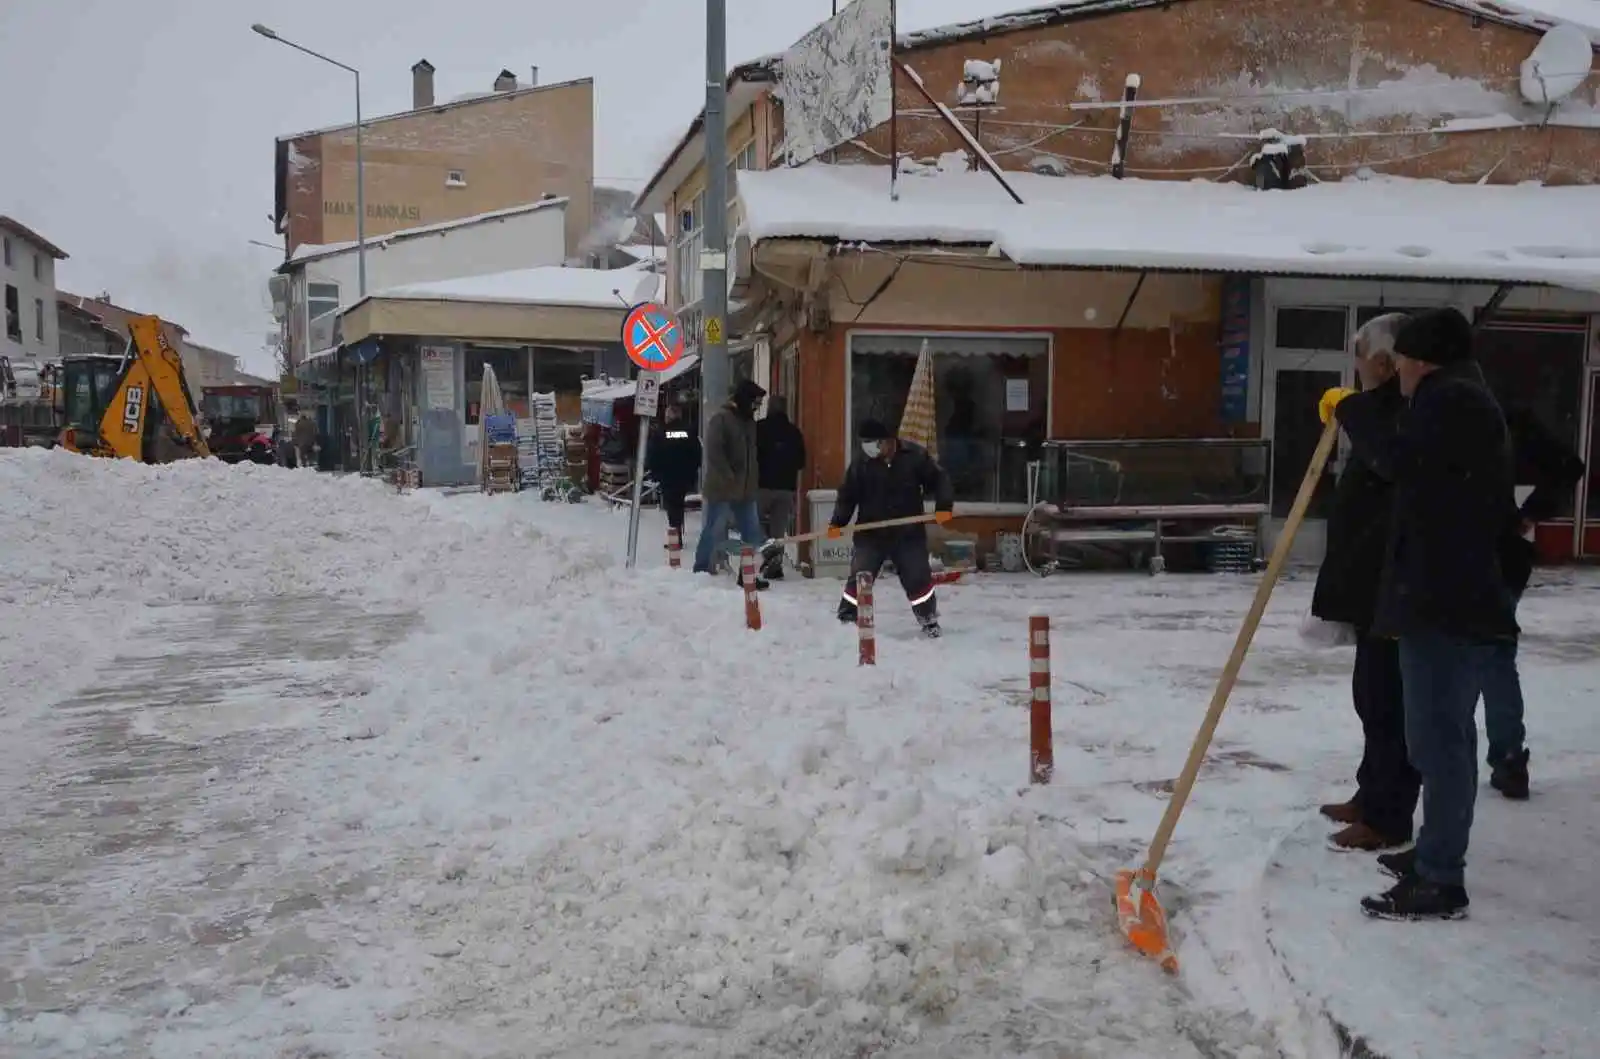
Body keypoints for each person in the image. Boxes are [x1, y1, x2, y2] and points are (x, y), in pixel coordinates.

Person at [1324, 307, 1520, 921]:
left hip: (1446, 600)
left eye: (1402, 361)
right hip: (1443, 594)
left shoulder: (1452, 400)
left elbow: (1397, 459)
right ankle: (1432, 854)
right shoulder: (1456, 396)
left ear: (1420, 360)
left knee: (1441, 743)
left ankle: (1440, 878)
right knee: (1435, 738)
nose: (1398, 372)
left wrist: (1352, 409)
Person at [1311, 313, 1418, 852]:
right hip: (1373, 583)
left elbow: (1389, 456)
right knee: (1370, 696)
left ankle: (1388, 816)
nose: (1356, 371)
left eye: (1360, 359)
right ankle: (1370, 793)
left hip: (1396, 583)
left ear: (1382, 361)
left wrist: (1350, 407)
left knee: (1389, 703)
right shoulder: (1386, 410)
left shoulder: (1408, 411)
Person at [1476, 400, 1586, 800]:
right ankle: (1506, 757)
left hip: (1481, 555)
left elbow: (1568, 467)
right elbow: (1568, 466)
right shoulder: (1501, 415)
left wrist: (1528, 513)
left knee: (1470, 657)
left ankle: (1493, 758)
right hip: (1499, 554)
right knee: (1493, 657)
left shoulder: (1493, 418)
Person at [829, 418, 955, 637]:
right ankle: (848, 615)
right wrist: (838, 522)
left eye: (874, 442)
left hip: (907, 532)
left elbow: (939, 479)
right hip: (870, 532)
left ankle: (928, 617)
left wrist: (943, 506)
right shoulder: (862, 463)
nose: (869, 448)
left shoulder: (914, 457)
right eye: (865, 443)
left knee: (917, 575)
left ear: (889, 441)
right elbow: (847, 495)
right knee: (861, 572)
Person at [694, 378, 770, 587]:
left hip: (746, 490)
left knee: (752, 533)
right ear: (744, 400)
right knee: (714, 528)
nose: (757, 407)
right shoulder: (722, 419)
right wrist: (729, 477)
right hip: (722, 489)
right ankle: (701, 570)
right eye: (755, 402)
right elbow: (715, 452)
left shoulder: (749, 422)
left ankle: (749, 574)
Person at [755, 398, 807, 580]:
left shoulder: (759, 429)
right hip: (786, 488)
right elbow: (801, 462)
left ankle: (765, 556)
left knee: (756, 523)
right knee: (778, 529)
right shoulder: (794, 432)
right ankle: (775, 566)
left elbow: (751, 456)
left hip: (762, 487)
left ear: (769, 408)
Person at [647, 402, 701, 543]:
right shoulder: (688, 431)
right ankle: (678, 533)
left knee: (672, 507)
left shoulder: (661, 432)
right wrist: (693, 470)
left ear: (668, 416)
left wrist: (654, 472)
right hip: (685, 476)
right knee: (679, 505)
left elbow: (653, 454)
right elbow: (697, 453)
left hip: (668, 476)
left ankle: (676, 538)